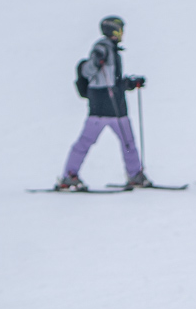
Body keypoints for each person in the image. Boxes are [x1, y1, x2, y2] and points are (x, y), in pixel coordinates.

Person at [57, 15, 147, 191]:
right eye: (121, 29)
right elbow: (89, 72)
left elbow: (115, 80)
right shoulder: (102, 48)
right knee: (122, 142)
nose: (123, 33)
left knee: (121, 142)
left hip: (109, 106)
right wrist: (96, 61)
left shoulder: (112, 50)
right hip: (107, 106)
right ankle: (70, 176)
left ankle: (70, 175)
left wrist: (131, 83)